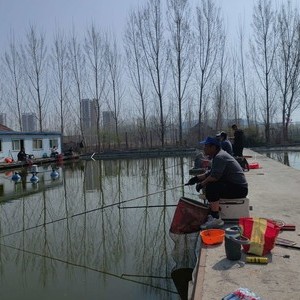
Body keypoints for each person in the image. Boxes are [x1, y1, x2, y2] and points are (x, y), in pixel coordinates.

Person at [186, 137, 248, 229]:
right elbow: (211, 173)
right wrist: (196, 179)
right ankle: (214, 212)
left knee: (211, 186)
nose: (204, 148)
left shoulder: (220, 157)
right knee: (211, 183)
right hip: (235, 186)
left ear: (213, 147)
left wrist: (202, 184)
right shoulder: (219, 155)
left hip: (239, 189)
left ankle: (216, 219)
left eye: (206, 146)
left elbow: (214, 177)